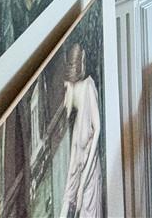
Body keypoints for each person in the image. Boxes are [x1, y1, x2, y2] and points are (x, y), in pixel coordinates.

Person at [59, 43, 103, 218]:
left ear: (70, 85)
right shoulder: (76, 130)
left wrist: (83, 182)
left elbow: (98, 129)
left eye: (65, 91)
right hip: (83, 190)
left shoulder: (87, 86)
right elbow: (70, 185)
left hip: (90, 183)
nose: (64, 102)